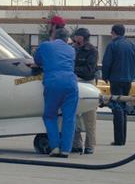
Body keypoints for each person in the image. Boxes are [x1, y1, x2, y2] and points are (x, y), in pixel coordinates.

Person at [34, 25, 79, 157]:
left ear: (54, 36)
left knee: (50, 115)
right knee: (69, 117)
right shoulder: (72, 50)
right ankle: (66, 149)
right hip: (71, 83)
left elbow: (37, 60)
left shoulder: (45, 45)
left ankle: (55, 147)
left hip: (53, 81)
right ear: (67, 39)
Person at [101, 23, 135, 146]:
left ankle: (118, 139)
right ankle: (122, 138)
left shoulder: (112, 45)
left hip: (116, 80)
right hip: (127, 80)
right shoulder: (131, 45)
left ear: (113, 32)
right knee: (123, 106)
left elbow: (107, 63)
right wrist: (131, 76)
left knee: (117, 108)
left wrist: (105, 77)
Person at [71, 27, 99, 154]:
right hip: (76, 82)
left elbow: (89, 71)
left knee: (90, 117)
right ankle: (76, 144)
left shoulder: (92, 51)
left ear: (81, 37)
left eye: (76, 36)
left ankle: (90, 145)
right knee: (74, 115)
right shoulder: (73, 49)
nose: (74, 38)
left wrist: (74, 70)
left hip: (87, 83)